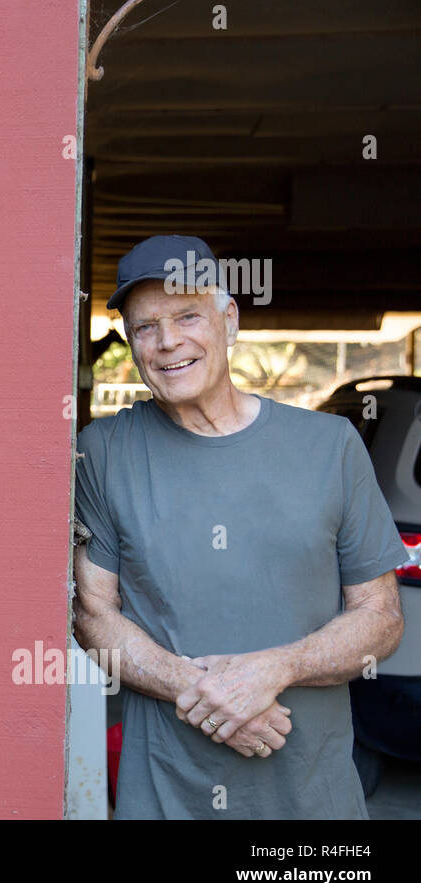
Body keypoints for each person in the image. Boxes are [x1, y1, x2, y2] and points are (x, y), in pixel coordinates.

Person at [72, 234, 407, 818]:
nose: (168, 341)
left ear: (228, 320)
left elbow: (380, 620)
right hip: (165, 796)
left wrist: (274, 668)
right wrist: (207, 693)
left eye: (186, 316)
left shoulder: (331, 446)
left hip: (312, 799)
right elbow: (92, 614)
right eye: (145, 326)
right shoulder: (105, 450)